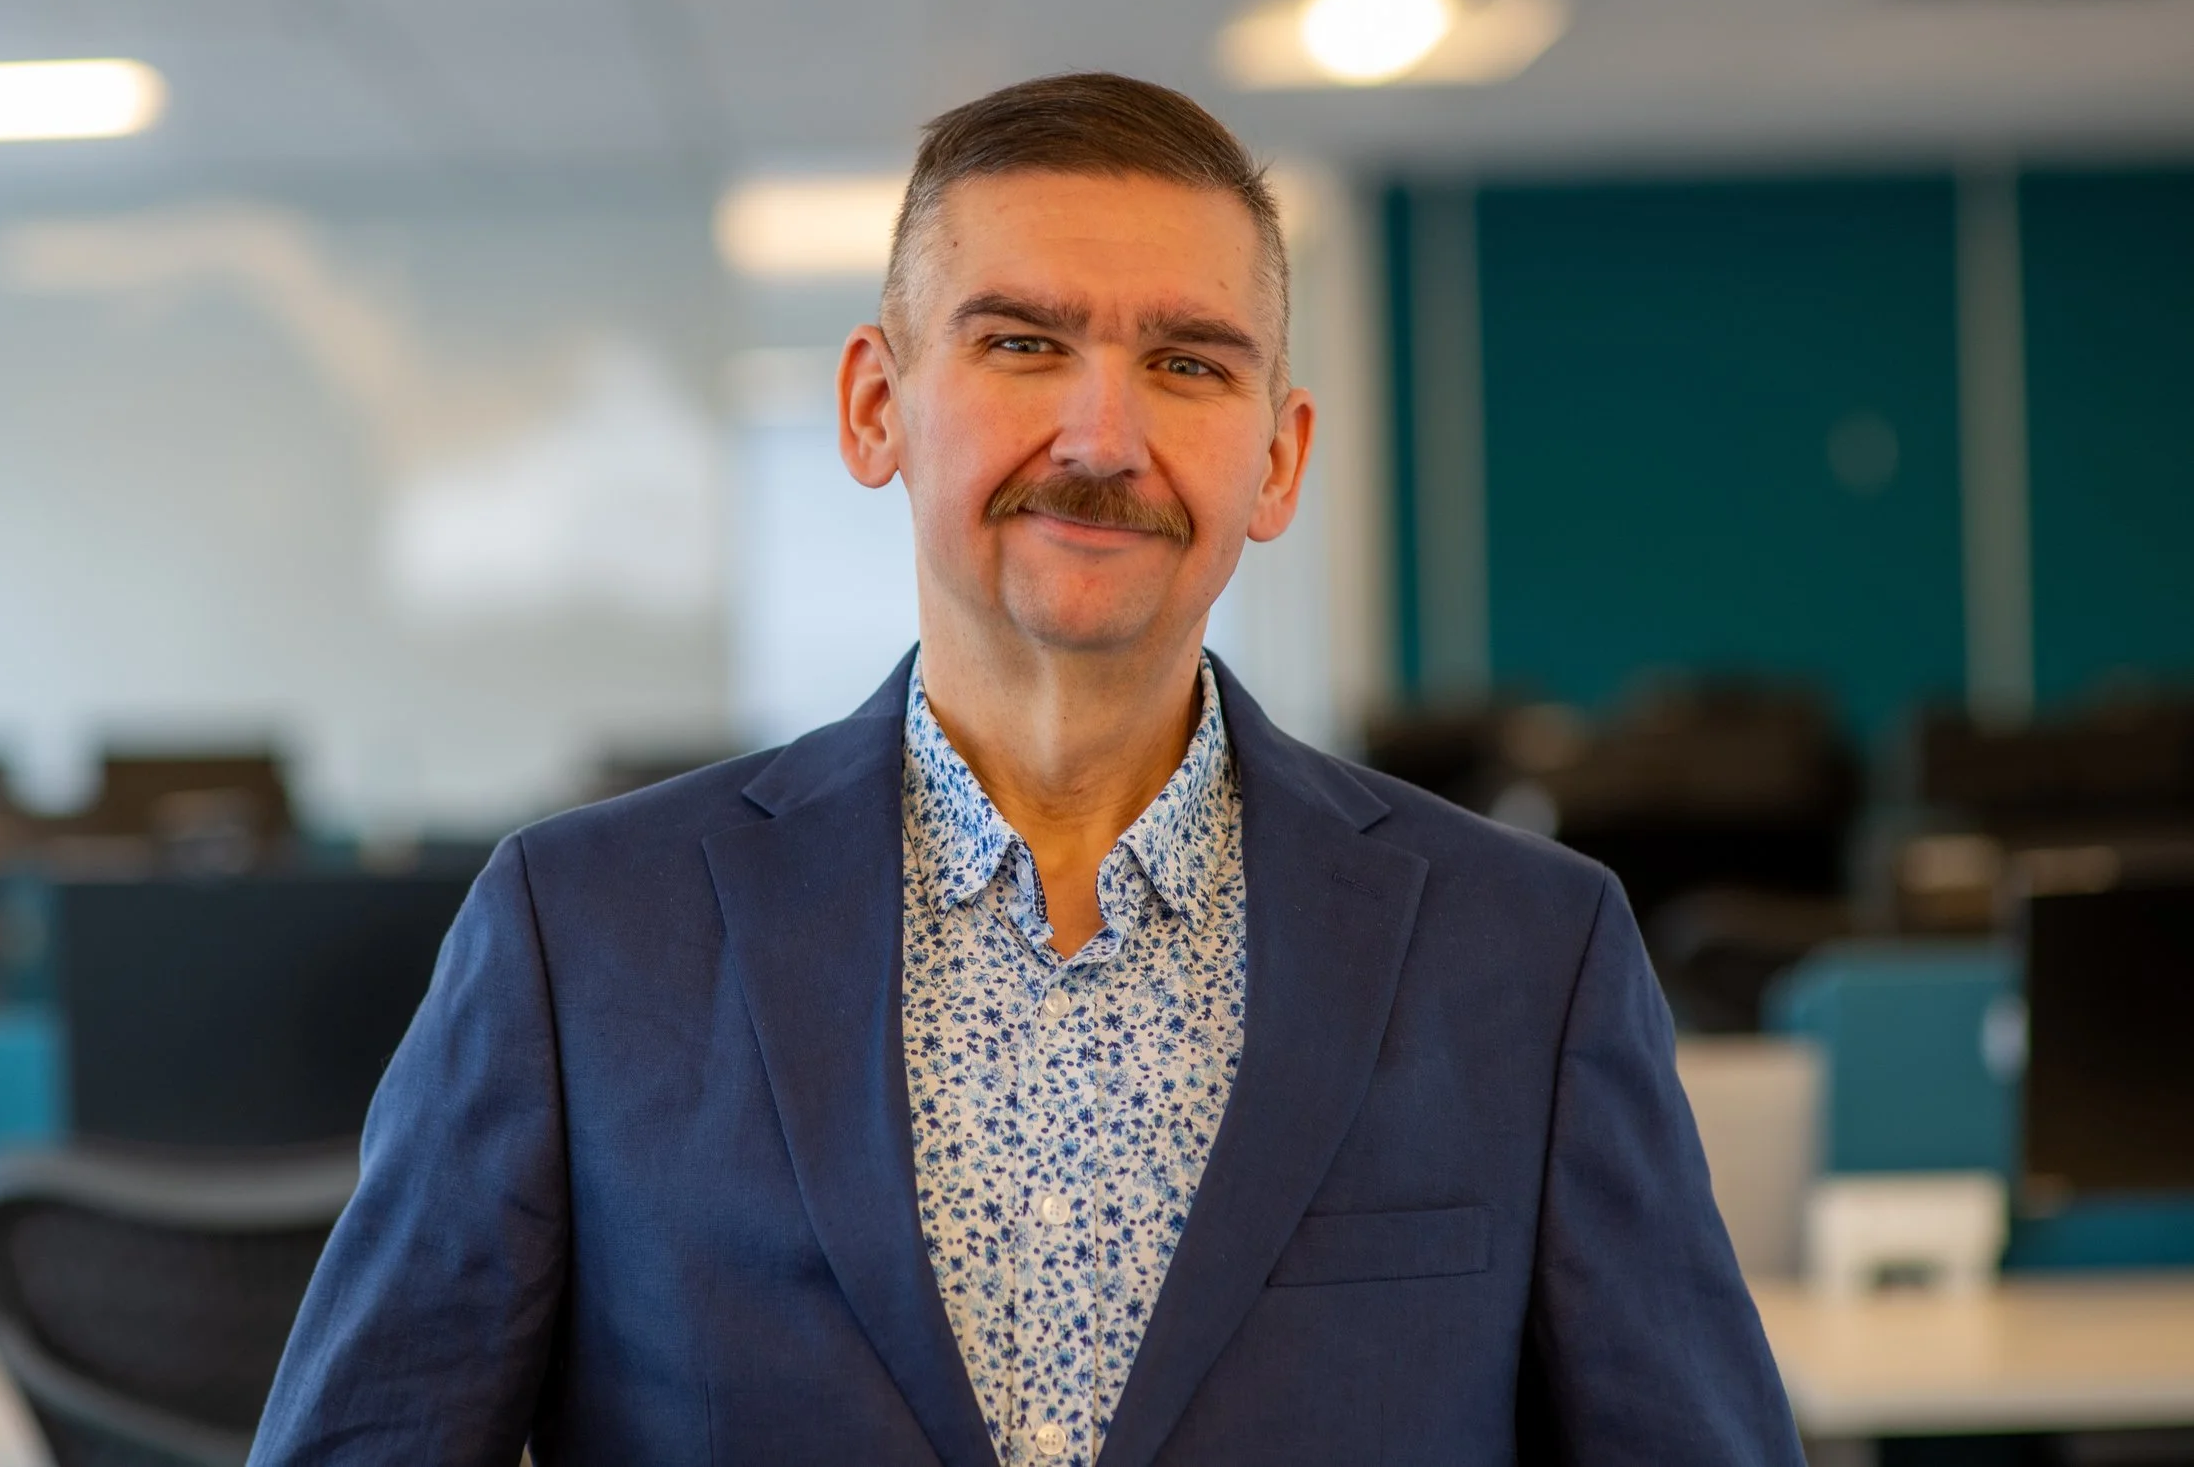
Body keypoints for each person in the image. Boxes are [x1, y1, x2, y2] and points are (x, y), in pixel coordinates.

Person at [249, 73, 1800, 1466]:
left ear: (1278, 457)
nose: (1102, 431)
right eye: (1020, 342)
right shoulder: (580, 936)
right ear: (876, 405)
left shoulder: (1527, 955)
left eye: (1191, 363)